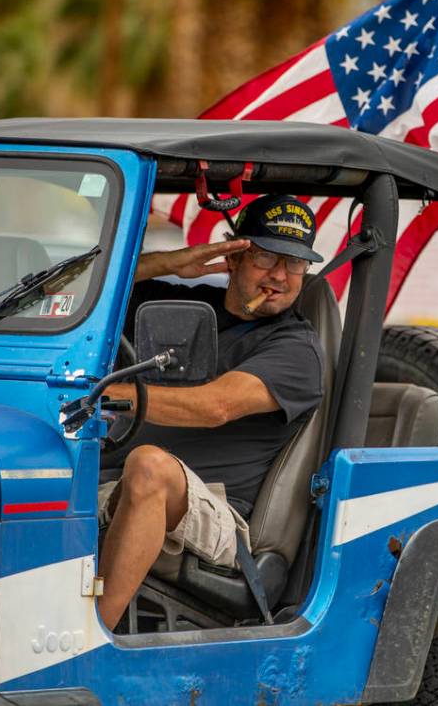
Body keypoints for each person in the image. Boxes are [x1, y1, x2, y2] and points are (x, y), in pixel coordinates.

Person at [96, 194, 325, 630]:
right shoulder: (175, 306)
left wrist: (101, 394)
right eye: (264, 257)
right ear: (232, 256)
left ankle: (88, 643)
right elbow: (71, 293)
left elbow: (214, 406)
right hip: (106, 482)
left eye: (294, 263)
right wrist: (169, 263)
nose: (278, 275)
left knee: (150, 468)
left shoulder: (296, 349)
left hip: (218, 514)